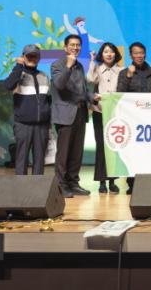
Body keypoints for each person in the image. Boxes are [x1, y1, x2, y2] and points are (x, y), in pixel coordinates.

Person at [51, 34, 100, 198]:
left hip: (80, 112)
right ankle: (61, 185)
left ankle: (73, 182)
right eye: (72, 45)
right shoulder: (57, 64)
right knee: (63, 152)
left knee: (76, 152)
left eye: (78, 45)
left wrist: (92, 97)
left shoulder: (79, 66)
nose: (75, 47)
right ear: (65, 47)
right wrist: (68, 66)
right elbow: (59, 84)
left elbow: (82, 90)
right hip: (65, 114)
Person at [3, 44, 51, 176]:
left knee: (39, 160)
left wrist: (48, 120)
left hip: (41, 125)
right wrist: (18, 66)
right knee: (22, 158)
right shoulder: (17, 73)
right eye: (29, 56)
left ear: (39, 58)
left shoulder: (44, 76)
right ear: (23, 57)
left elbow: (49, 100)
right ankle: (21, 186)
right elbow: (8, 85)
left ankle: (37, 186)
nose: (32, 58)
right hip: (23, 124)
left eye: (34, 56)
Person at [117, 42, 151, 194]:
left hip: (150, 119)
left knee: (150, 152)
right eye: (136, 53)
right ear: (131, 55)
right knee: (133, 152)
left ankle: (149, 182)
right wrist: (128, 76)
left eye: (141, 53)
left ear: (145, 54)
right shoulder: (124, 72)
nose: (139, 56)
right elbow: (119, 94)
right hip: (132, 120)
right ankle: (133, 183)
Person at [87, 42, 123, 194]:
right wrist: (92, 61)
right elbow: (90, 79)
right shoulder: (97, 68)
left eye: (111, 51)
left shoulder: (121, 70)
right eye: (106, 52)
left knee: (113, 147)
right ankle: (102, 182)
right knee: (101, 146)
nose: (109, 54)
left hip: (115, 113)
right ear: (101, 55)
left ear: (116, 54)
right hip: (99, 112)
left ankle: (112, 181)